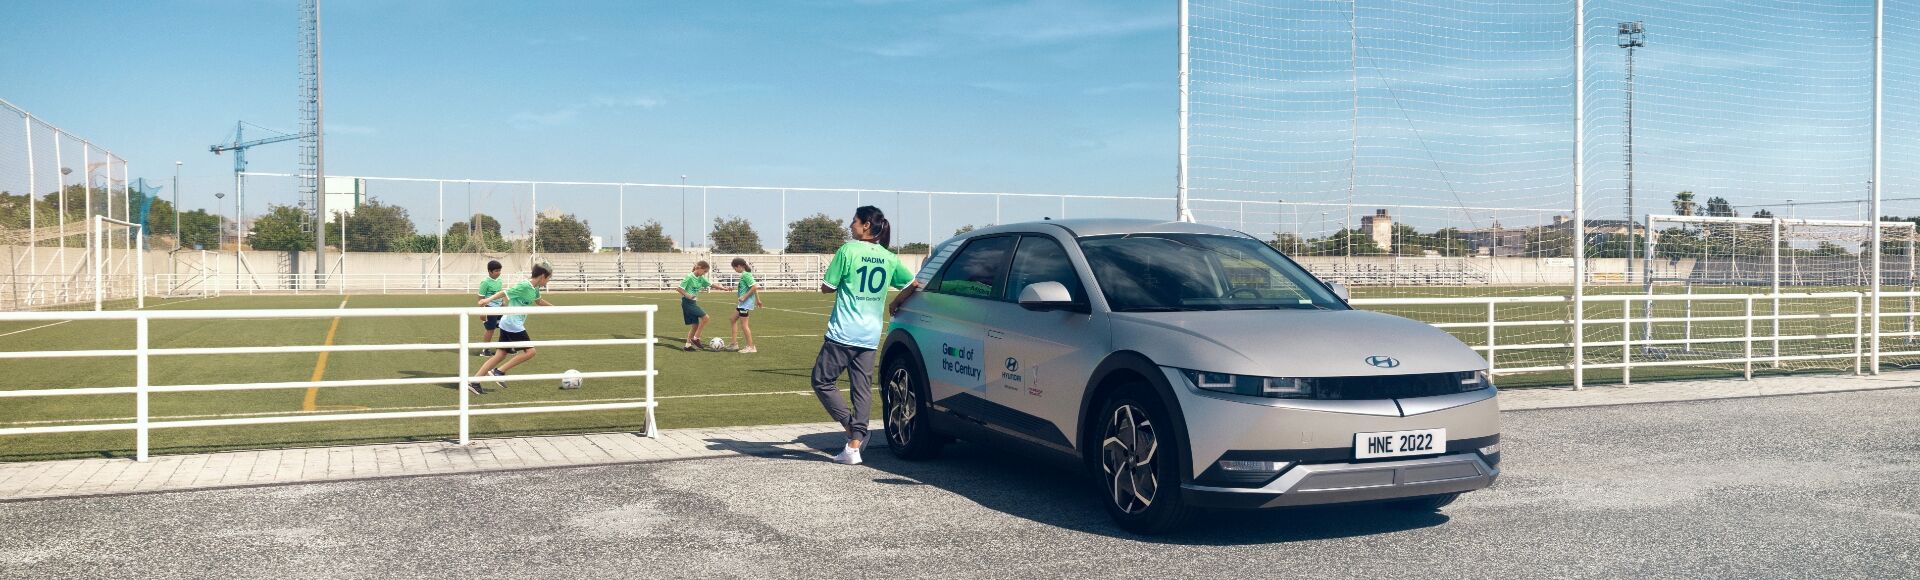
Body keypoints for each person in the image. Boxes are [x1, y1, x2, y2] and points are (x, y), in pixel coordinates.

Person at [812, 205, 918, 465]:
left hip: (844, 331)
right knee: (861, 388)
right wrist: (895, 303)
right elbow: (913, 284)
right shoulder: (888, 256)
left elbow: (828, 287)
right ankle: (854, 447)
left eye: (854, 221)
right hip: (870, 332)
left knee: (822, 381)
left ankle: (853, 431)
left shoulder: (849, 249)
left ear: (866, 225)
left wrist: (830, 283)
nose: (851, 226)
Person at [469, 264, 553, 393]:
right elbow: (505, 292)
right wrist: (487, 300)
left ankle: (474, 382)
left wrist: (554, 308)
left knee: (500, 355)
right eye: (548, 278)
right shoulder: (524, 286)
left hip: (508, 322)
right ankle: (499, 372)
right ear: (542, 276)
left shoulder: (535, 288)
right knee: (530, 352)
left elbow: (539, 301)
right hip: (513, 324)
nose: (548, 281)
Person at [677, 261, 721, 351]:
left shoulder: (701, 278)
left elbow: (711, 284)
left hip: (693, 303)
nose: (704, 274)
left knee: (695, 325)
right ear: (699, 268)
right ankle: (696, 338)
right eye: (704, 271)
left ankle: (687, 346)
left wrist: (724, 288)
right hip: (687, 302)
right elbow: (679, 288)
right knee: (706, 317)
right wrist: (688, 295)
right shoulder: (689, 277)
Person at [729, 257, 762, 354]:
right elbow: (752, 287)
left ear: (739, 266)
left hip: (745, 304)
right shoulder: (745, 275)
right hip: (742, 304)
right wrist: (758, 300)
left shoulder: (746, 275)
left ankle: (751, 347)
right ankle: (734, 344)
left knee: (744, 325)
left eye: (735, 268)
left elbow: (755, 286)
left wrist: (744, 297)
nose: (735, 270)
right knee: (732, 319)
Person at [475, 260, 505, 358]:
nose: (498, 273)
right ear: (490, 271)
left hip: (500, 307)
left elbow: (500, 292)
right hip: (490, 308)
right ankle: (485, 349)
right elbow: (480, 298)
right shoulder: (485, 282)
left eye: (499, 270)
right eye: (496, 271)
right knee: (490, 329)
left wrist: (503, 302)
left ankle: (504, 347)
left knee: (504, 327)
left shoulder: (500, 280)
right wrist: (482, 312)